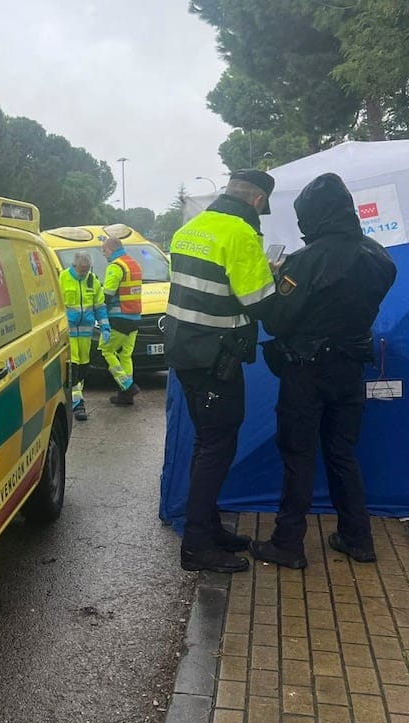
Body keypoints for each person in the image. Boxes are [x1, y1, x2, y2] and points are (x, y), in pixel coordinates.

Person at [250, 172, 397, 569]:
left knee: (298, 456)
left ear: (312, 217)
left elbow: (278, 321)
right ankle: (357, 537)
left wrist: (277, 277)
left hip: (306, 371)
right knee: (342, 453)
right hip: (350, 369)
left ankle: (288, 543)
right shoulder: (379, 257)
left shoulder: (306, 261)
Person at [166, 169, 278, 573]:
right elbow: (260, 304)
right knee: (217, 447)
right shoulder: (240, 235)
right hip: (217, 359)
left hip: (186, 354)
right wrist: (273, 273)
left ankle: (209, 529)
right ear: (258, 201)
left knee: (206, 443)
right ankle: (196, 545)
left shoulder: (192, 228)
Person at [60, 251, 109, 421]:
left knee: (83, 369)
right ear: (74, 265)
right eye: (81, 269)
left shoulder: (92, 280)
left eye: (87, 269)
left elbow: (99, 306)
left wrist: (105, 327)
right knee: (73, 368)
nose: (84, 272)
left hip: (86, 333)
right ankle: (77, 404)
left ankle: (75, 398)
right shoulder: (63, 278)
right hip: (69, 333)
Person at [99, 236, 143, 405]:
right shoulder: (134, 264)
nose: (103, 254)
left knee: (106, 350)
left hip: (119, 318)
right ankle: (125, 397)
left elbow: (107, 295)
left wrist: (98, 311)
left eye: (104, 250)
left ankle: (128, 386)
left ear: (110, 249)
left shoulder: (116, 266)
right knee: (125, 355)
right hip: (135, 318)